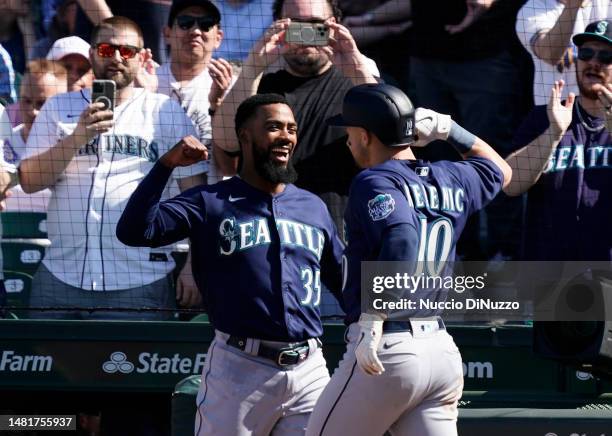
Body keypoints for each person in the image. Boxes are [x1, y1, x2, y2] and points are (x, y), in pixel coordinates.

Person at [116, 93, 344, 435]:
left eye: (291, 128)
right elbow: (134, 231)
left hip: (310, 369)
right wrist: (165, 166)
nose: (286, 136)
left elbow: (344, 279)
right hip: (239, 369)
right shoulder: (210, 201)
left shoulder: (312, 206)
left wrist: (384, 326)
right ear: (245, 137)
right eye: (273, 127)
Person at [306, 83, 511, 436]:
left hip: (388, 346)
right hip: (440, 351)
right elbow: (502, 172)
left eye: (351, 132)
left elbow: (402, 239)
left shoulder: (374, 180)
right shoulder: (451, 174)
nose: (348, 140)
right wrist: (452, 131)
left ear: (366, 135)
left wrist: (375, 314)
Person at [18, 16, 207, 320]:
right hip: (61, 276)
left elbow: (197, 198)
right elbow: (29, 180)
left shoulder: (165, 112)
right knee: (46, 366)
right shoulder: (58, 108)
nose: (117, 58)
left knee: (133, 368)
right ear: (92, 53)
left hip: (139, 280)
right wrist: (78, 137)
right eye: (107, 49)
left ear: (143, 57)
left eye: (127, 51)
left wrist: (194, 266)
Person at [212, 0, 379, 231]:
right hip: (269, 236)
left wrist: (357, 67)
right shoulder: (259, 84)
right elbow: (226, 141)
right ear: (278, 27)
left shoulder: (358, 84)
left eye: (316, 24)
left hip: (339, 239)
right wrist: (252, 67)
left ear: (335, 26)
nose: (306, 34)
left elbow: (393, 139)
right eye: (296, 24)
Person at [505, 19, 612, 261]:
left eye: (606, 57)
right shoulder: (547, 116)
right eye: (586, 53)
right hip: (550, 274)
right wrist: (553, 133)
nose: (594, 62)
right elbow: (511, 184)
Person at [158, 0, 234, 178]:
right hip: (150, 200)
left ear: (218, 38)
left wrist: (218, 104)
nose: (195, 31)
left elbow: (231, 168)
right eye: (185, 22)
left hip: (206, 201)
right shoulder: (144, 81)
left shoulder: (233, 87)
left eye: (206, 24)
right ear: (167, 34)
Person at [2, 59, 68, 212]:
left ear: (63, 101)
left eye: (42, 103)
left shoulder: (78, 149)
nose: (32, 111)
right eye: (26, 101)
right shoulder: (2, 143)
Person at [516, 0, 611, 106]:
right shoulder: (534, 7)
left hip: (605, 110)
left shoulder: (607, 4)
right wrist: (573, 4)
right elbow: (550, 54)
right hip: (555, 112)